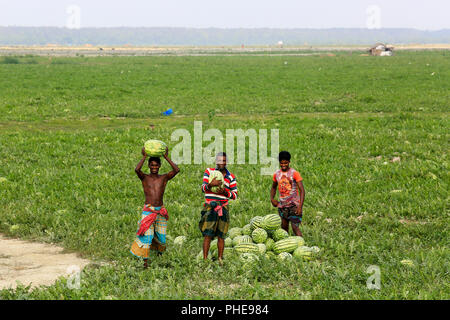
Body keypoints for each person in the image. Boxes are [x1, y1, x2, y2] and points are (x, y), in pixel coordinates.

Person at [130, 146, 180, 268]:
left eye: (156, 165)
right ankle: (145, 263)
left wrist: (166, 156)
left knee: (161, 237)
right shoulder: (145, 178)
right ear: (148, 166)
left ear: (159, 166)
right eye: (152, 165)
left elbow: (176, 170)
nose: (154, 167)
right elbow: (137, 170)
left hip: (160, 211)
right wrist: (144, 156)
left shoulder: (163, 178)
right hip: (148, 211)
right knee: (147, 236)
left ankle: (160, 258)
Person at [199, 152, 237, 262]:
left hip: (223, 208)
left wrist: (226, 192)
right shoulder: (209, 172)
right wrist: (211, 184)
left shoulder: (230, 177)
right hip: (210, 207)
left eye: (224, 161)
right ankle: (205, 259)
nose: (221, 163)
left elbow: (234, 195)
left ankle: (220, 258)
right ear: (216, 161)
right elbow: (203, 188)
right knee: (208, 234)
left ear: (226, 162)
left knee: (221, 235)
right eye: (219, 160)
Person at [270, 151, 305, 237]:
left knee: (295, 227)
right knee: (284, 229)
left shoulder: (294, 173)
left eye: (285, 163)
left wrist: (300, 206)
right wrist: (272, 199)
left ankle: (303, 246)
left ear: (289, 162)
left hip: (294, 206)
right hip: (282, 206)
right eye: (281, 163)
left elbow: (302, 190)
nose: (283, 165)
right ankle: (286, 246)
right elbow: (273, 187)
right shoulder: (277, 174)